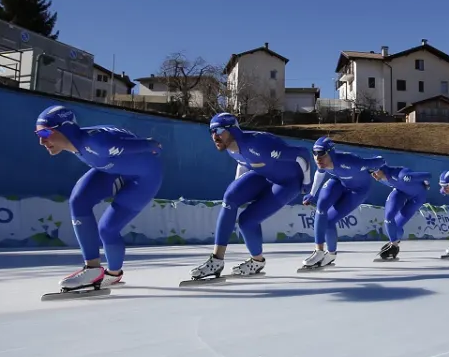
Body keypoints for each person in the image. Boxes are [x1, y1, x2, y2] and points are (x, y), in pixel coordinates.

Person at [34, 105, 163, 292]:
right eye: (37, 134)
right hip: (113, 169)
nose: (41, 141)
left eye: (45, 133)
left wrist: (152, 145)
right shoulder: (80, 142)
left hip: (144, 179)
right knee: (78, 201)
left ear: (65, 128)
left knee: (107, 229)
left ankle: (113, 274)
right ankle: (92, 269)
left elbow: (151, 144)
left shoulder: (97, 145)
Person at [189, 113, 313, 281]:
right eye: (211, 131)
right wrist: (238, 189)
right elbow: (243, 163)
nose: (214, 136)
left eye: (218, 130)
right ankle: (217, 260)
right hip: (263, 174)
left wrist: (306, 183)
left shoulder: (260, 145)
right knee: (230, 198)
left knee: (247, 221)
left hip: (288, 182)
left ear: (232, 130)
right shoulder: (230, 147)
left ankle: (257, 261)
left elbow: (303, 154)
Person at [300, 137, 386, 269]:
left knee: (329, 221)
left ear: (331, 153)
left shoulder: (352, 162)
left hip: (358, 191)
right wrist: (312, 194)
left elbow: (379, 161)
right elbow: (320, 173)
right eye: (315, 153)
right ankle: (319, 251)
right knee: (321, 207)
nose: (318, 158)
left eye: (322, 154)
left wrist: (378, 168)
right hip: (339, 181)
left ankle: (331, 254)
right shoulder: (322, 162)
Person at [371, 164, 432, 260]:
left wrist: (425, 181)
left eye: (375, 171)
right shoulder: (382, 177)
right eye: (372, 172)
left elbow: (428, 175)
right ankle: (394, 243)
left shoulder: (403, 175)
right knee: (389, 218)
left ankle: (394, 244)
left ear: (381, 170)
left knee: (397, 226)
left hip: (417, 198)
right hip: (400, 193)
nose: (374, 175)